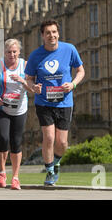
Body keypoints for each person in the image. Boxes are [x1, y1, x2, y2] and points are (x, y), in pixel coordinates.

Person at [25, 19, 85, 186]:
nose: (51, 35)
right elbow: (28, 79)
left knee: (63, 142)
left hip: (64, 102)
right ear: (42, 36)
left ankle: (56, 161)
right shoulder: (35, 55)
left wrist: (73, 84)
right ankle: (50, 171)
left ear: (58, 33)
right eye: (47, 33)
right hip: (43, 102)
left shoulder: (69, 49)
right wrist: (33, 88)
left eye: (54, 32)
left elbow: (80, 71)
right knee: (49, 137)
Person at [0, 38, 32, 190]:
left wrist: (22, 80)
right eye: (9, 52)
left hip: (20, 108)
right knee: (3, 137)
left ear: (19, 52)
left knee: (16, 141)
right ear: (4, 52)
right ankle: (2, 172)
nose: (12, 54)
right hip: (1, 108)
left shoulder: (25, 65)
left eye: (14, 51)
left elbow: (32, 88)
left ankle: (15, 177)